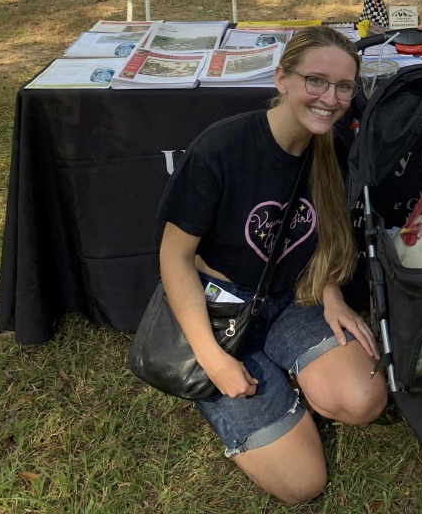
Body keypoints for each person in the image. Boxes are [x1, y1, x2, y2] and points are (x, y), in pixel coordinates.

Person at [157, 26, 387, 503]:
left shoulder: (331, 149)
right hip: (222, 311)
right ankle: (253, 380)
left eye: (345, 86)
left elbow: (325, 236)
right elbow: (174, 257)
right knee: (303, 484)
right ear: (282, 78)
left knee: (364, 400)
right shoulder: (221, 148)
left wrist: (330, 293)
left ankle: (289, 371)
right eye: (317, 81)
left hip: (292, 298)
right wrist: (212, 359)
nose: (331, 97)